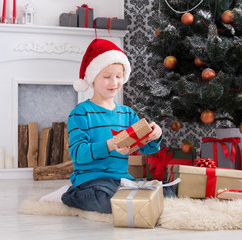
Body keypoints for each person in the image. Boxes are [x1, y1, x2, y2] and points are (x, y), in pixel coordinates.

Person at [61, 38, 174, 214]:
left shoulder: (127, 114)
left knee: (167, 191)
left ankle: (126, 199)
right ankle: (72, 195)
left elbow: (147, 149)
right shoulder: (81, 113)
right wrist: (110, 144)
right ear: (92, 78)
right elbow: (78, 154)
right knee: (104, 200)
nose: (114, 82)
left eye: (119, 76)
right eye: (107, 77)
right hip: (93, 180)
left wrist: (155, 135)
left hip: (122, 180)